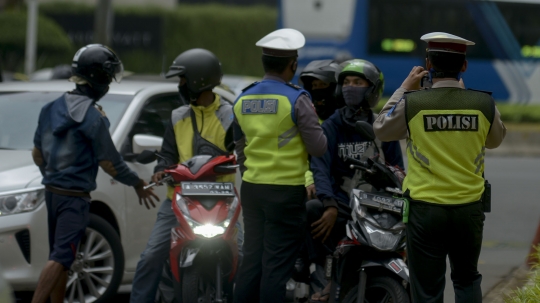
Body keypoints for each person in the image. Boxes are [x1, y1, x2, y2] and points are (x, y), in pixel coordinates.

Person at [373, 32, 507, 302]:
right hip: (469, 208)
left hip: (425, 211)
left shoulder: (413, 104)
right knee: (467, 280)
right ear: (464, 66)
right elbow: (495, 140)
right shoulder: (483, 104)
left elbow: (382, 129)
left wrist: (404, 89)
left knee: (427, 288)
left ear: (428, 64)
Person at [31, 44, 159, 303]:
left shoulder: (50, 109)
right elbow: (110, 164)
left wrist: (53, 175)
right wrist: (137, 183)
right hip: (74, 199)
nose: (109, 83)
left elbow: (37, 154)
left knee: (63, 258)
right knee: (60, 258)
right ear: (98, 78)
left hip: (52, 195)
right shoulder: (94, 118)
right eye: (108, 77)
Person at [129, 48, 242, 303]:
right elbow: (167, 154)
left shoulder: (231, 116)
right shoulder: (177, 116)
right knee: (150, 256)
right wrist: (160, 171)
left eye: (182, 80)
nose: (180, 86)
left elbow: (242, 153)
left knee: (242, 256)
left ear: (198, 80)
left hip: (221, 200)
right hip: (179, 200)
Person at [232, 28, 327, 303]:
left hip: (252, 188)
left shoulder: (243, 98)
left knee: (252, 258)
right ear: (292, 65)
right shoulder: (297, 99)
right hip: (285, 193)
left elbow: (240, 148)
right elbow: (318, 147)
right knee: (275, 265)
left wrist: (250, 174)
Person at [308, 59, 404, 302]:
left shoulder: (382, 127)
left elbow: (398, 169)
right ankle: (318, 273)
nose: (351, 87)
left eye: (358, 82)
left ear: (371, 89)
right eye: (347, 83)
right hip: (342, 204)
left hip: (377, 204)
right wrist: (328, 204)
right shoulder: (331, 126)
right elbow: (320, 167)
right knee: (311, 211)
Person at [299, 59, 343, 199]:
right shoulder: (306, 121)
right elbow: (300, 157)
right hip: (316, 188)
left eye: (323, 85)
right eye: (314, 86)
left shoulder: (346, 121)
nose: (318, 90)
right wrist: (309, 180)